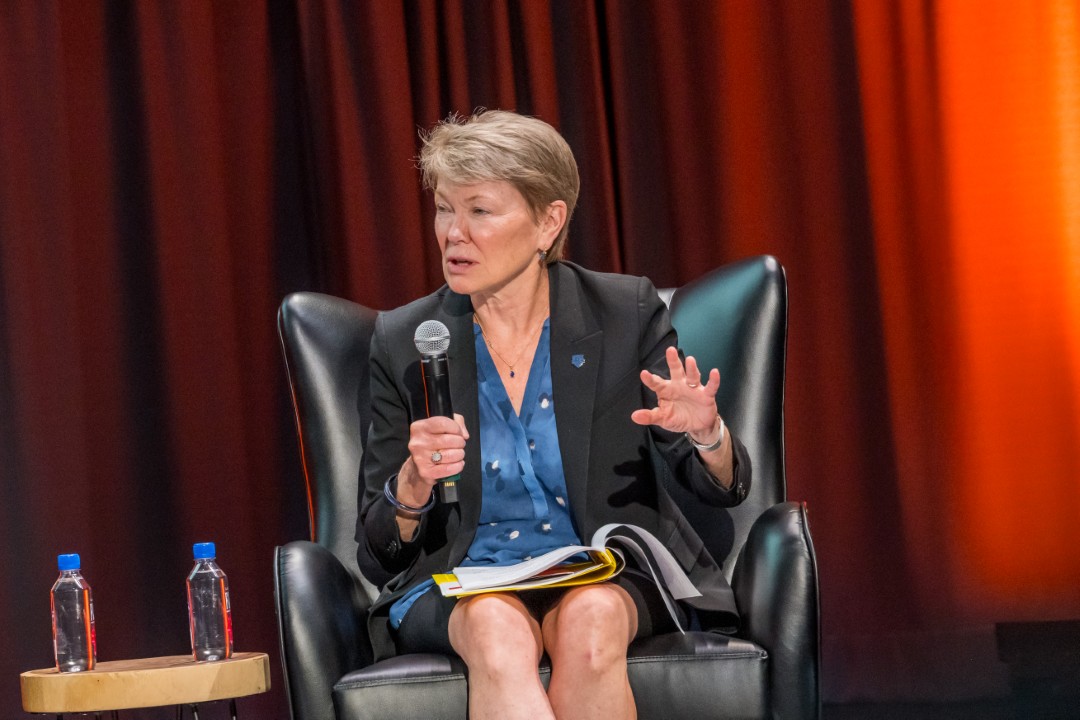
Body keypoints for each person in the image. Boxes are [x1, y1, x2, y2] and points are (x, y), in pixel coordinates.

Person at [355, 109, 750, 720]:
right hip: (465, 584)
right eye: (443, 208)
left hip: (602, 571)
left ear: (549, 222)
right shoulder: (405, 340)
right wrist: (412, 485)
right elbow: (376, 554)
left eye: (479, 211)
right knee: (494, 628)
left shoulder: (624, 313)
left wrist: (705, 434)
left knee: (591, 621)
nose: (452, 233)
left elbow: (721, 488)